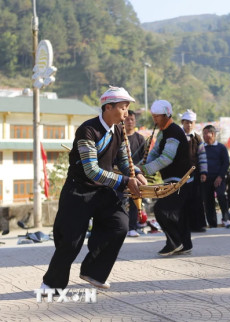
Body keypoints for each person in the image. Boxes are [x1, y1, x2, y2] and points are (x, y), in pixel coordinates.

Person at [41, 86, 146, 291]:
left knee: (120, 225)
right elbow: (91, 170)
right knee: (71, 241)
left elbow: (125, 161)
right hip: (79, 191)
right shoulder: (87, 130)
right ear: (108, 107)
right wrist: (126, 181)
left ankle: (93, 271)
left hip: (102, 190)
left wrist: (138, 174)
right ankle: (51, 284)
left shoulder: (119, 130)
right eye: (123, 108)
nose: (126, 113)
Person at [140, 100, 193, 255]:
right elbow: (155, 153)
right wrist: (136, 168)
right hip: (173, 179)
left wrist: (145, 170)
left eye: (158, 117)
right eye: (154, 116)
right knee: (179, 213)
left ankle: (174, 242)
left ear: (167, 115)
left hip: (181, 180)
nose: (155, 120)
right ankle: (185, 244)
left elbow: (166, 158)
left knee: (162, 209)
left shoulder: (174, 131)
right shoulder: (164, 132)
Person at [181, 109, 208, 233]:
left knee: (196, 199)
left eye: (191, 122)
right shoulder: (178, 136)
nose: (189, 125)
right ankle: (184, 225)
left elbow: (202, 156)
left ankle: (198, 225)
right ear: (183, 122)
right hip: (180, 174)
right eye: (187, 122)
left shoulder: (197, 138)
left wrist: (203, 172)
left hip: (195, 173)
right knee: (183, 200)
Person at [202, 125, 230, 228]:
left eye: (207, 133)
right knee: (208, 201)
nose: (205, 136)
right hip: (206, 178)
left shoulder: (221, 147)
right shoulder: (201, 148)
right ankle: (212, 223)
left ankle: (226, 218)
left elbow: (226, 163)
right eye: (204, 133)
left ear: (213, 134)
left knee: (221, 195)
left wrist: (220, 176)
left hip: (219, 178)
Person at [123, 110, 146, 237]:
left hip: (136, 176)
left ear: (135, 121)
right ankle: (121, 227)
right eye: (127, 119)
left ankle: (132, 227)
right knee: (119, 200)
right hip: (120, 174)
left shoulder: (140, 138)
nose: (129, 122)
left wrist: (139, 172)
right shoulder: (119, 137)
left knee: (134, 201)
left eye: (132, 119)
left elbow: (144, 159)